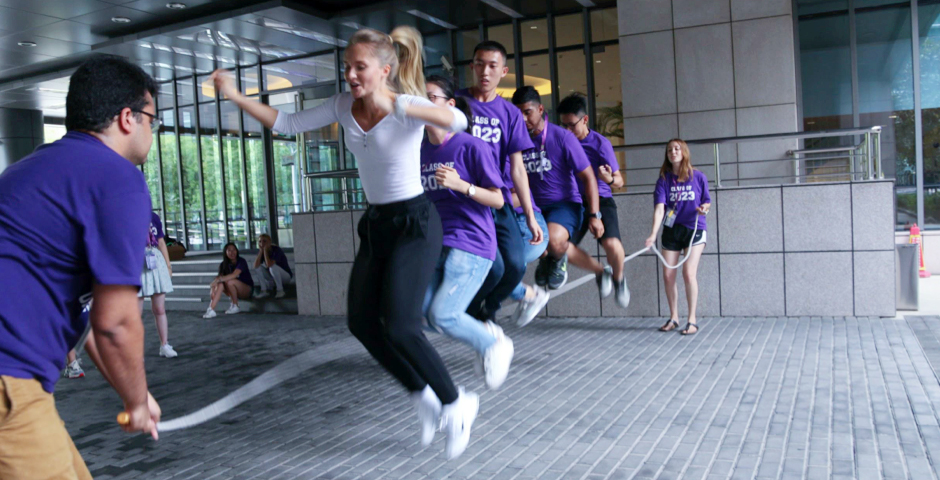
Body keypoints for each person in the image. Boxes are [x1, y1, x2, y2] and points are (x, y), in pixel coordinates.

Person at [212, 26, 478, 459]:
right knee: (362, 323)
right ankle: (423, 396)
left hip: (414, 224)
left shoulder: (405, 106)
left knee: (402, 326)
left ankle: (456, 402)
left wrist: (427, 110)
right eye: (346, 67)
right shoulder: (342, 105)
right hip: (376, 224)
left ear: (385, 70)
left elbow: (460, 121)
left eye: (360, 67)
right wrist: (235, 96)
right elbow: (287, 122)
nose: (350, 75)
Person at [0, 55, 161, 479]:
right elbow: (116, 323)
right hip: (8, 381)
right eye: (152, 120)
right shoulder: (118, 178)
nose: (152, 131)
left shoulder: (28, 171)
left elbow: (90, 321)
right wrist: (137, 402)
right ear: (127, 118)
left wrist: (134, 394)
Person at [421, 75, 514, 390]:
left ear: (450, 105)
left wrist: (462, 185)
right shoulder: (419, 150)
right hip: (436, 243)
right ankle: (484, 334)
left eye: (430, 97)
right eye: (418, 98)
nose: (422, 104)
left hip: (471, 242)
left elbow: (498, 199)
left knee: (444, 315)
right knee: (420, 314)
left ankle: (493, 345)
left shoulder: (471, 146)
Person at [456, 40, 543, 323]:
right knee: (493, 267)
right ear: (472, 66)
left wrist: (530, 215)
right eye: (479, 64)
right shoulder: (456, 103)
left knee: (515, 266)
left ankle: (485, 311)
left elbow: (518, 169)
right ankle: (477, 316)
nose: (485, 71)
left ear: (504, 71)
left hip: (497, 200)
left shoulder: (509, 114)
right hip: (464, 201)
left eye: (492, 66)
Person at [511, 87, 610, 294]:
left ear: (540, 109)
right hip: (533, 207)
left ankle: (562, 260)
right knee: (534, 242)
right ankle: (548, 257)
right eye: (518, 114)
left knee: (555, 241)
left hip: (564, 205)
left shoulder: (562, 137)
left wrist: (594, 215)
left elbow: (589, 177)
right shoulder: (516, 141)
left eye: (528, 112)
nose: (523, 119)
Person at [558, 93, 630, 307]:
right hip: (573, 202)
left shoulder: (600, 143)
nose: (567, 130)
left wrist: (609, 179)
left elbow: (619, 181)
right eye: (564, 125)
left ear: (585, 120)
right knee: (561, 247)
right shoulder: (562, 142)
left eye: (572, 125)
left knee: (612, 245)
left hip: (601, 198)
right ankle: (600, 272)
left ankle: (619, 279)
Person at [645, 139, 711, 335]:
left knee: (688, 273)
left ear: (684, 152)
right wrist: (653, 234)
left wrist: (704, 208)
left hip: (694, 229)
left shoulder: (698, 177)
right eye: (669, 150)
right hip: (672, 230)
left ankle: (692, 320)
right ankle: (674, 317)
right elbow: (659, 210)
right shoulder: (663, 180)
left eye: (676, 149)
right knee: (668, 274)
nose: (673, 152)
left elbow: (707, 201)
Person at [139, 210, 178, 358]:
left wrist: (168, 266)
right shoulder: (126, 215)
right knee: (136, 313)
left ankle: (164, 345)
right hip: (137, 261)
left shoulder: (153, 217)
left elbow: (161, 242)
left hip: (155, 260)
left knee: (160, 309)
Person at [204, 242, 254, 318]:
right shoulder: (223, 264)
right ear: (225, 252)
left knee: (229, 281)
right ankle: (211, 309)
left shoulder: (241, 261)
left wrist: (218, 280)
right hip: (232, 291)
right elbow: (218, 279)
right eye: (229, 250)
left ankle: (235, 306)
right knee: (220, 284)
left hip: (246, 290)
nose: (232, 252)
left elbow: (234, 275)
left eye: (234, 250)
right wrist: (213, 289)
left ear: (237, 251)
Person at [252, 234, 293, 299]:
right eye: (260, 241)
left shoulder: (277, 250)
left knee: (272, 267)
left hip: (285, 277)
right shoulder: (261, 251)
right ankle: (264, 291)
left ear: (269, 242)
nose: (262, 243)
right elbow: (255, 266)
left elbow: (269, 264)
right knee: (258, 268)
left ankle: (280, 290)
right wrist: (261, 251)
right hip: (273, 277)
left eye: (264, 241)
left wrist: (265, 251)